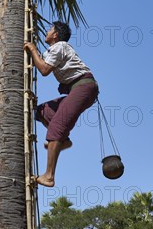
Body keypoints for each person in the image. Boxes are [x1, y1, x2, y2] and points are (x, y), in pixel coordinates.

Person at [24, 21, 99, 187]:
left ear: (56, 35)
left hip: (83, 87)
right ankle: (63, 140)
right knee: (42, 111)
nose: (47, 31)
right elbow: (40, 61)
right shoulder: (53, 51)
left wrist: (33, 49)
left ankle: (49, 176)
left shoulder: (60, 46)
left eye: (50, 29)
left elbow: (44, 69)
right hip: (79, 89)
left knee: (56, 125)